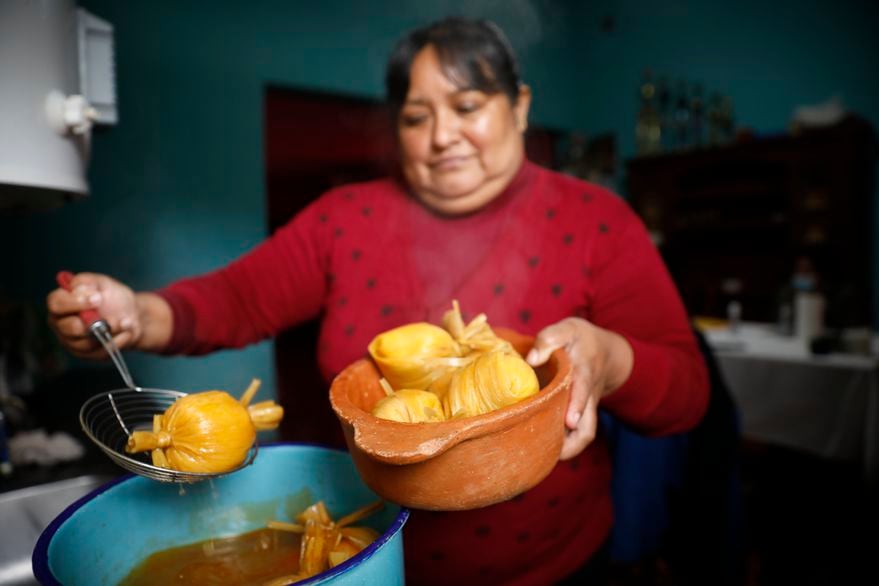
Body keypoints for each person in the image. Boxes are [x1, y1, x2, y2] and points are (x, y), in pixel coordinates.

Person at [46, 17, 709, 585]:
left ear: (520, 105)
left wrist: (608, 360)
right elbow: (234, 300)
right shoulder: (345, 220)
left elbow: (684, 392)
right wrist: (135, 311)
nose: (442, 135)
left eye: (468, 106)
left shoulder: (594, 220)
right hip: (371, 564)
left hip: (554, 567)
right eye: (417, 117)